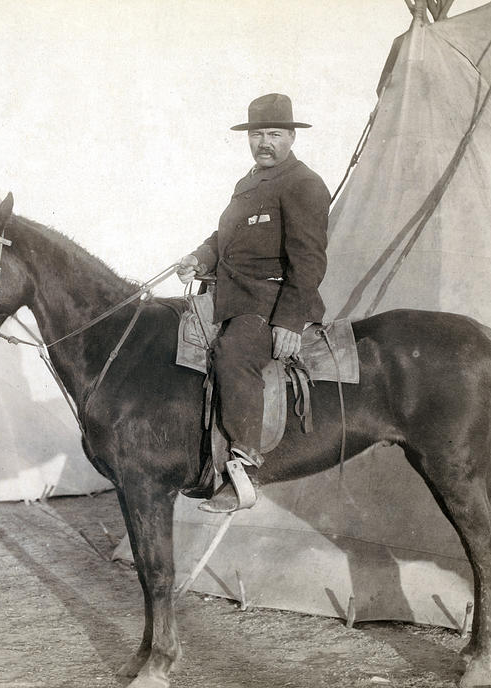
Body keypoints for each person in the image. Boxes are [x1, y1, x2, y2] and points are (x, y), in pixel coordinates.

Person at [177, 93, 330, 513]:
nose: (265, 142)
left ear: (292, 136)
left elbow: (309, 260)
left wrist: (289, 322)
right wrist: (198, 258)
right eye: (258, 133)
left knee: (233, 355)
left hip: (270, 300)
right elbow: (222, 239)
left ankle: (243, 469)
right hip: (231, 294)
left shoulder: (303, 183)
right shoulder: (247, 183)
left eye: (275, 134)